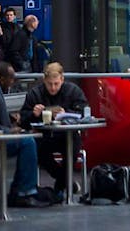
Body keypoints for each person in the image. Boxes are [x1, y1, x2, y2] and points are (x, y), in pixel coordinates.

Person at [19, 62, 89, 194]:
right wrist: (33, 114)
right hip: (44, 137)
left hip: (67, 136)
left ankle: (62, 183)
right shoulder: (35, 93)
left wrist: (67, 113)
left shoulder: (73, 91)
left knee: (73, 145)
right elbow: (23, 120)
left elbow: (83, 112)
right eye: (49, 84)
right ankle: (65, 181)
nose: (52, 87)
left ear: (62, 79)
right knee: (35, 149)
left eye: (56, 84)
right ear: (44, 80)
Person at [0, 62, 49, 207]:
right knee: (27, 142)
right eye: (11, 78)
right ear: (2, 79)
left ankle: (19, 190)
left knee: (30, 140)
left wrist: (10, 119)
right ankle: (24, 192)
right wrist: (8, 130)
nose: (14, 81)